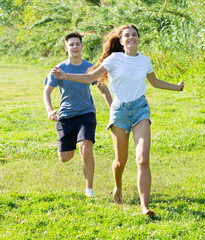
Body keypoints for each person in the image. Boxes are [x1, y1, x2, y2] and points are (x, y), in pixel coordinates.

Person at [51, 24, 184, 216]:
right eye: (127, 36)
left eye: (134, 35)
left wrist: (176, 87)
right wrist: (65, 75)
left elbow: (155, 82)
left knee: (143, 159)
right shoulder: (114, 59)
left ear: (138, 38)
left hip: (140, 110)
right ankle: (118, 186)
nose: (131, 38)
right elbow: (90, 78)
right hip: (119, 111)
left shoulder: (144, 61)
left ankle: (144, 205)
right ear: (121, 41)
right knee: (121, 161)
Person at [43, 32, 112, 198]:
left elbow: (102, 87)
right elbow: (47, 91)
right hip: (66, 115)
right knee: (65, 157)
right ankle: (72, 141)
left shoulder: (90, 68)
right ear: (66, 48)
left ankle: (89, 189)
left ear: (81, 47)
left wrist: (112, 108)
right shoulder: (59, 69)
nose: (75, 47)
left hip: (86, 113)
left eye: (77, 44)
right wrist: (50, 110)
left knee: (86, 147)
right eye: (71, 44)